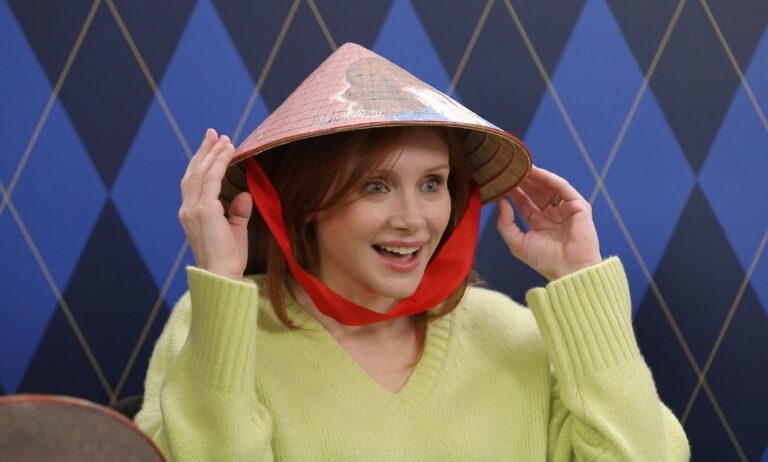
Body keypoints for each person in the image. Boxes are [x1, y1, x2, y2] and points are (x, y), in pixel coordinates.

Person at [135, 43, 690, 461]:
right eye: (375, 186)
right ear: (304, 204)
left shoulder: (514, 334)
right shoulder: (212, 329)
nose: (413, 219)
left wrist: (581, 281)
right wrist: (221, 290)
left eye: (432, 183)